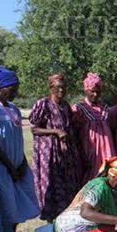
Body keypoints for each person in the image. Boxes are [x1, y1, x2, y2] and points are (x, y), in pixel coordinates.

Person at [0, 68, 40, 232]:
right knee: (4, 204)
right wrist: (10, 166)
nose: (15, 92)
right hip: (1, 166)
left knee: (19, 201)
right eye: (12, 88)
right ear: (1, 88)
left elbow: (18, 138)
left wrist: (22, 164)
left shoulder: (14, 109)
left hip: (18, 165)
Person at [29, 73, 83, 222]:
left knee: (67, 185)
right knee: (53, 185)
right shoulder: (43, 104)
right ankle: (51, 221)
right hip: (50, 154)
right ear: (51, 88)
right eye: (58, 87)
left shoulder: (65, 105)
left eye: (64, 88)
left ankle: (65, 220)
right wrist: (55, 131)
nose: (61, 91)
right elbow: (34, 128)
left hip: (66, 153)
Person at [73, 72, 116, 182]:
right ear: (85, 91)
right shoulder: (79, 108)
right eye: (92, 91)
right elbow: (74, 132)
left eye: (98, 92)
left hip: (107, 150)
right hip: (89, 150)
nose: (95, 95)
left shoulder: (106, 108)